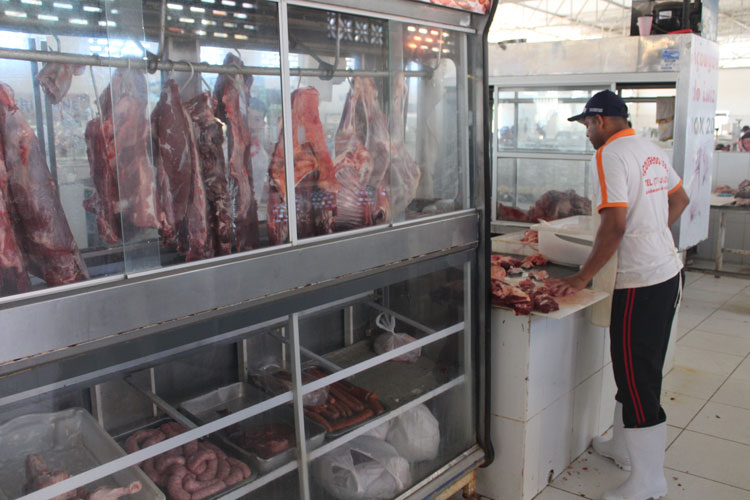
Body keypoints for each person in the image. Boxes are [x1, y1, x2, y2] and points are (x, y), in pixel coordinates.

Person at [546, 90, 690, 500]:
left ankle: (649, 481)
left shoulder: (609, 153)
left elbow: (614, 227)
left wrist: (581, 276)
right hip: (666, 272)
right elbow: (679, 199)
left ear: (603, 121)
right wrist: (655, 230)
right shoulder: (650, 148)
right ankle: (624, 450)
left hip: (639, 280)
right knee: (638, 370)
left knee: (637, 376)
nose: (587, 132)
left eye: (587, 124)